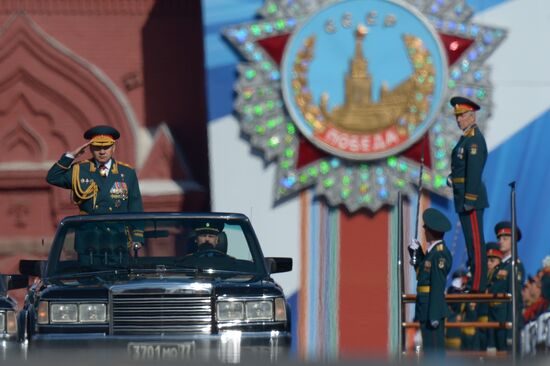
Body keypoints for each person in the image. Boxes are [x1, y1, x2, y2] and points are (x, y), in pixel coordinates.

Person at [46, 125, 144, 259]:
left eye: (106, 147)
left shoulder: (126, 173)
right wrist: (70, 156)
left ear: (113, 148)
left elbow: (135, 205)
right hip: (89, 240)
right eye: (97, 147)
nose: (102, 151)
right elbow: (52, 177)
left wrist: (137, 236)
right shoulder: (80, 170)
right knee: (89, 278)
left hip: (117, 239)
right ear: (91, 149)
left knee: (120, 278)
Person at [448, 96, 488, 293]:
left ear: (472, 116)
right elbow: (461, 169)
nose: (458, 120)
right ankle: (475, 282)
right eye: (457, 116)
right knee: (470, 243)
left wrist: (470, 200)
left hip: (470, 200)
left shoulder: (474, 141)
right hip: (462, 198)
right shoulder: (465, 139)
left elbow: (473, 173)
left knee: (476, 243)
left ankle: (478, 285)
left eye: (462, 115)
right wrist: (451, 179)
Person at [408, 208, 453, 355]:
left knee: (435, 352)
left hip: (431, 310)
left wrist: (434, 315)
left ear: (430, 230)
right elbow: (422, 274)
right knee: (428, 351)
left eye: (426, 227)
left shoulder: (439, 254)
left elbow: (437, 286)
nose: (424, 230)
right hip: (424, 308)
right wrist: (416, 253)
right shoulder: (431, 253)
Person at [488, 221, 525, 351]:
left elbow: (514, 299)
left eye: (505, 238)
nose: (501, 241)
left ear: (513, 241)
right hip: (495, 321)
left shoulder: (515, 266)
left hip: (506, 322)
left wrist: (511, 330)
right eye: (499, 238)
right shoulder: (499, 268)